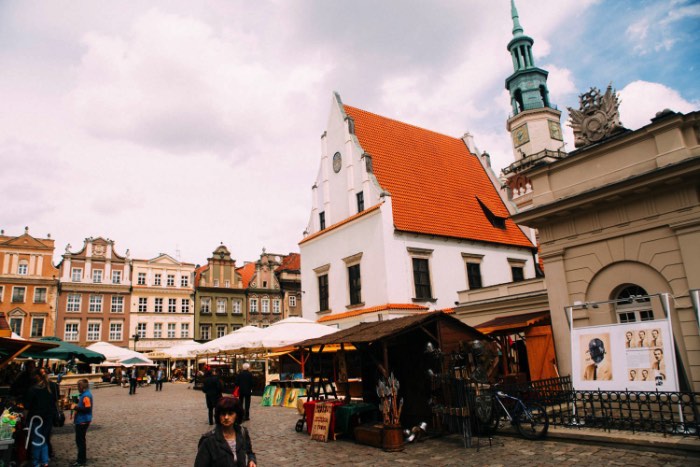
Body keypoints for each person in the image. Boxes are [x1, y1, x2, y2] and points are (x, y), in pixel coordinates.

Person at [194, 396, 257, 467]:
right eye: (223, 414)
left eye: (230, 414)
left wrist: (251, 460)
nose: (226, 417)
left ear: (237, 415)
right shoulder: (208, 440)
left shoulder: (242, 432)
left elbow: (249, 452)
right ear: (218, 415)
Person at [24, 369, 54, 467]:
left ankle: (36, 462)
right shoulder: (50, 388)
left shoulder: (33, 389)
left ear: (37, 377)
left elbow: (27, 406)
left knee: (37, 440)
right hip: (47, 418)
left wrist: (25, 418)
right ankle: (44, 461)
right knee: (44, 439)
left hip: (36, 418)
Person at [71, 378, 93, 467]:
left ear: (82, 386)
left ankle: (81, 461)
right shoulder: (84, 394)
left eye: (78, 386)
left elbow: (87, 408)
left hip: (82, 421)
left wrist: (75, 408)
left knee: (80, 441)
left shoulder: (86, 396)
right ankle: (81, 459)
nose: (77, 388)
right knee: (81, 441)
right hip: (82, 420)